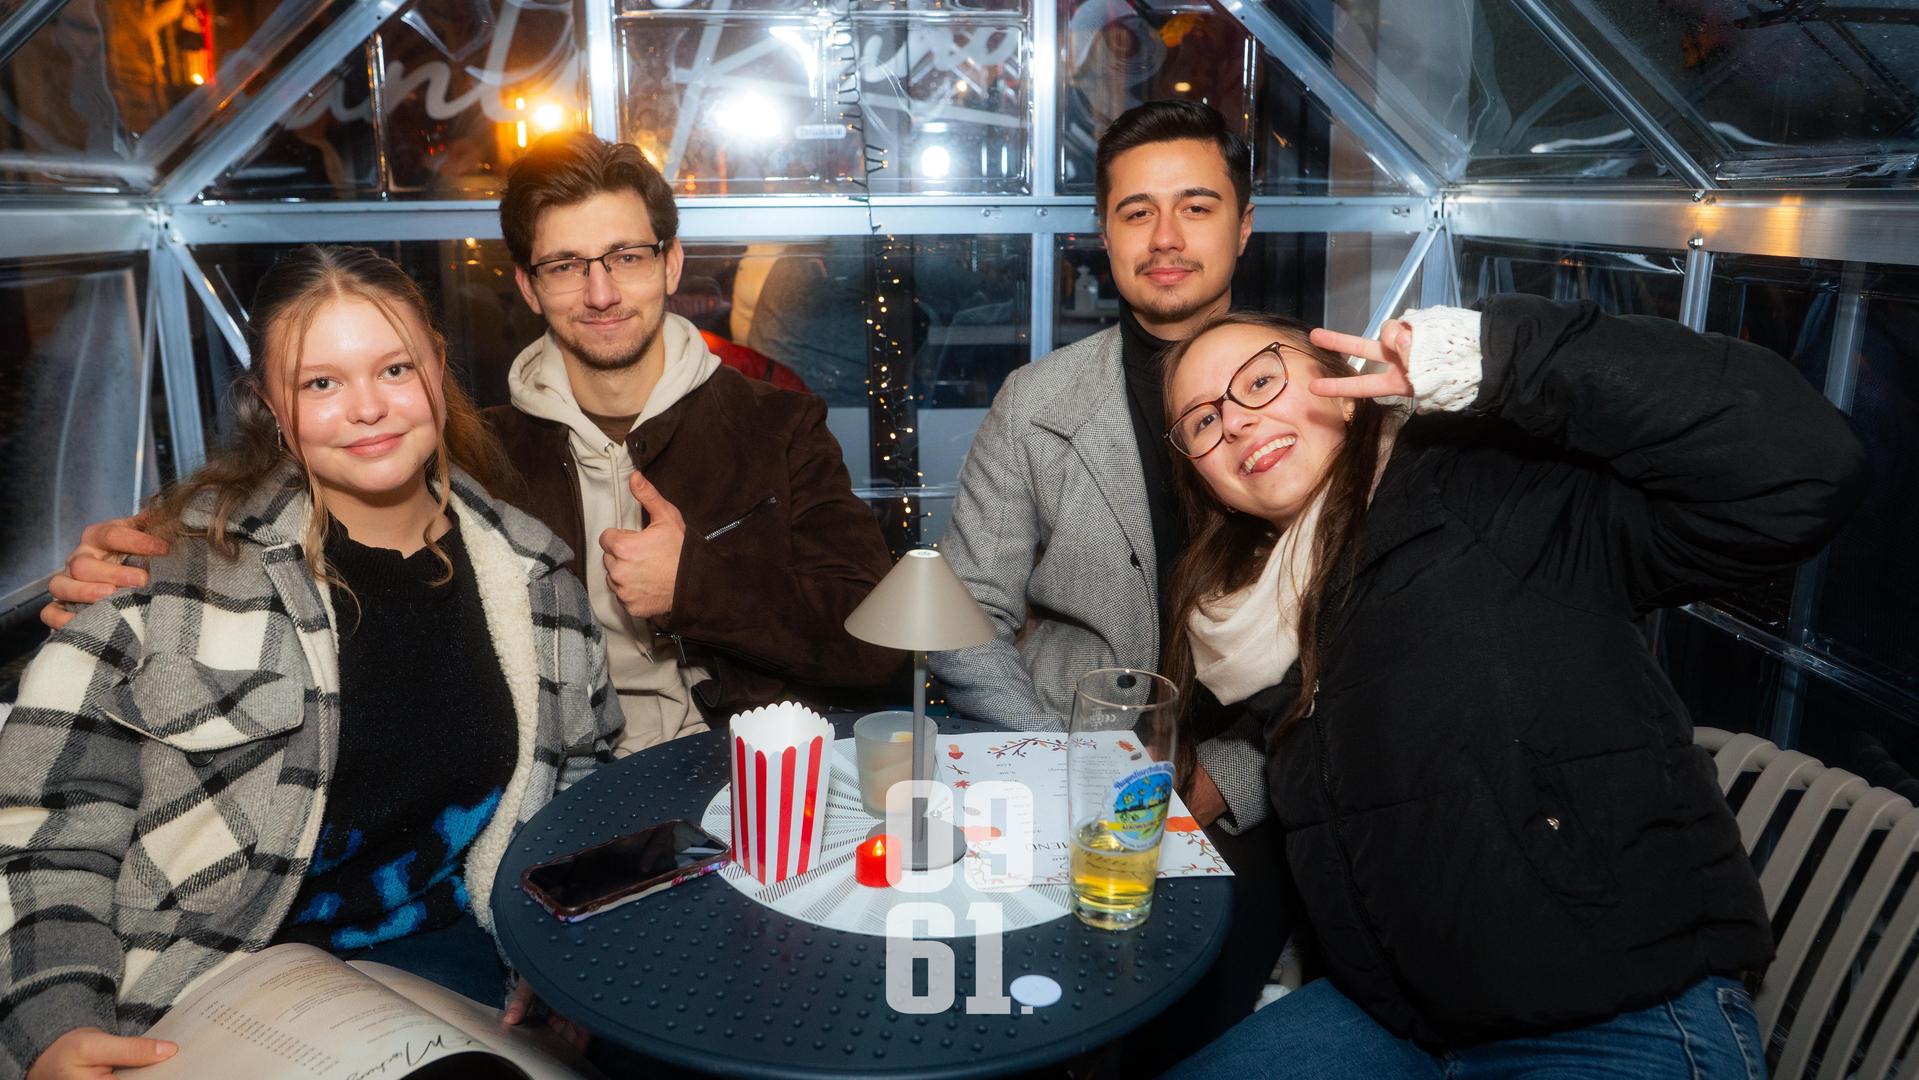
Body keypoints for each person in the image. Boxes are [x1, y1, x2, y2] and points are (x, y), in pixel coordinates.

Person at [1156, 299, 1865, 1077]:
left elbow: (1801, 466)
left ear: (1335, 378)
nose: (1237, 423)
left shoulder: (1487, 482)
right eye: (1201, 421)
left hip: (1614, 1009)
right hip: (1395, 1016)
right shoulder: (1255, 616)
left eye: (1259, 380)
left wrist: (1500, 356)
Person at [44, 132, 901, 755]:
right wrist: (156, 547)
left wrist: (697, 586)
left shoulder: (775, 423)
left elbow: (878, 645)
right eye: (566, 266)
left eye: (626, 257)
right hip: (568, 777)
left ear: (672, 266)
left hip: (752, 767)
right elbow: (324, 471)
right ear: (528, 285)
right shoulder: (472, 446)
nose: (601, 292)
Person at [1, 246, 622, 1080]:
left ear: (438, 365)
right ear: (271, 407)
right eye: (321, 383)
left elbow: (579, 784)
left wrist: (566, 962)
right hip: (214, 973)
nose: (367, 407)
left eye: (394, 368)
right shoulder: (167, 570)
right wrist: (53, 1019)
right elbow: (42, 822)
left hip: (466, 962)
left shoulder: (535, 577)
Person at [929, 99, 1287, 1067]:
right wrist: (1064, 767)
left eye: (1196, 206)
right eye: (1136, 212)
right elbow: (960, 613)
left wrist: (1220, 787)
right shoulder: (1039, 402)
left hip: (1246, 801)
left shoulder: (1302, 401)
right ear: (1102, 232)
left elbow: (1356, 638)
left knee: (1186, 1039)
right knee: (1033, 1032)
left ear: (1244, 225)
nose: (1164, 238)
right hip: (1059, 787)